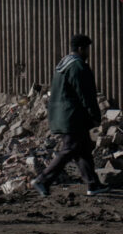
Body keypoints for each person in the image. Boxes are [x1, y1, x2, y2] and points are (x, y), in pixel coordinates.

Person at [31, 33, 108, 196]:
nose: (88, 52)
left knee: (83, 149)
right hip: (71, 116)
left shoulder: (64, 63)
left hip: (63, 114)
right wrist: (94, 114)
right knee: (70, 148)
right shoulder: (77, 66)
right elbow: (86, 93)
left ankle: (93, 184)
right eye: (87, 49)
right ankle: (42, 180)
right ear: (81, 48)